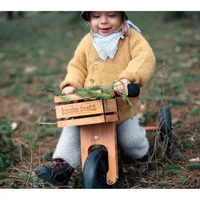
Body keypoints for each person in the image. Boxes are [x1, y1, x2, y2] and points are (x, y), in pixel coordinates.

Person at [35, 11, 156, 187]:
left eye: (112, 15)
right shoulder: (87, 42)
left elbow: (144, 58)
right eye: (97, 16)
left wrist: (127, 79)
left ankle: (142, 155)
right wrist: (71, 84)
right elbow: (77, 66)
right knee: (73, 128)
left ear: (123, 17)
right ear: (89, 19)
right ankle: (62, 166)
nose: (104, 21)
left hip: (120, 108)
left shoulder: (132, 38)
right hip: (90, 107)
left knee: (130, 139)